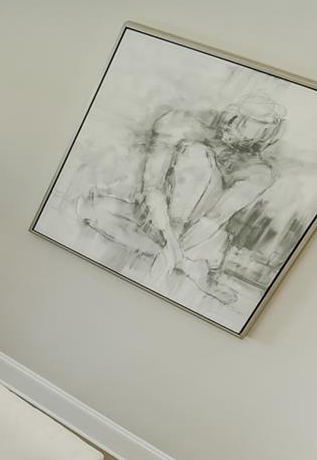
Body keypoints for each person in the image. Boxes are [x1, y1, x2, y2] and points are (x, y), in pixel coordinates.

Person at [75, 92, 285, 305]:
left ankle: (189, 264)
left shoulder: (259, 174)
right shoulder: (179, 126)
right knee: (197, 156)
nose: (234, 140)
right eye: (237, 127)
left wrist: (174, 249)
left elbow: (214, 219)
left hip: (201, 240)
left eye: (249, 141)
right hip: (155, 219)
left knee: (97, 211)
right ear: (231, 118)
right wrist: (169, 240)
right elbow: (152, 186)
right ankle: (192, 268)